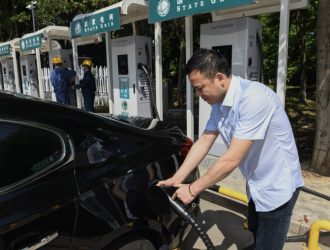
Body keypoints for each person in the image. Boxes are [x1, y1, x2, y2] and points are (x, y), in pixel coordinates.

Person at [157, 48, 304, 250]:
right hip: (255, 183)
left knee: (267, 244)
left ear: (219, 78)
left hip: (277, 187)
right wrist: (177, 178)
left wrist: (193, 189)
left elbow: (231, 159)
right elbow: (205, 141)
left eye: (200, 88)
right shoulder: (219, 103)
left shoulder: (254, 99)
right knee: (255, 231)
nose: (198, 94)